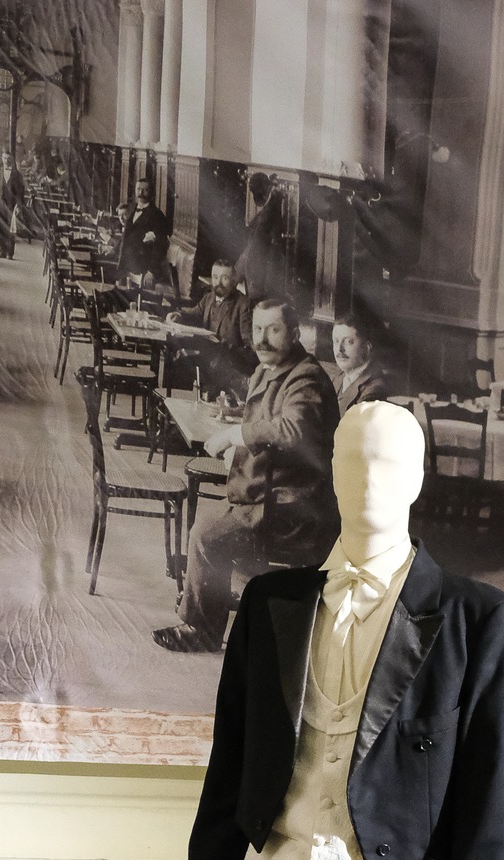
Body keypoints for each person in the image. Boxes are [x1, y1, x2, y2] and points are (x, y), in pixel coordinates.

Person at [167, 400, 504, 860]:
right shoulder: (268, 604)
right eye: (352, 461)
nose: (368, 477)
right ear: (331, 473)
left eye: (387, 462)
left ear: (418, 477)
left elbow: (499, 783)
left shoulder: (481, 621)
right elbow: (231, 763)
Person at [154, 296, 339, 654]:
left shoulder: (307, 378)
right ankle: (205, 603)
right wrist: (237, 435)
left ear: (295, 334)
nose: (262, 339)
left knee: (206, 535)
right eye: (257, 329)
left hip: (293, 506)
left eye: (273, 330)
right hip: (267, 491)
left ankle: (201, 628)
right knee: (211, 527)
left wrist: (236, 435)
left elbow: (292, 430)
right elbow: (267, 420)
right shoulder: (269, 369)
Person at [167, 258, 254, 399]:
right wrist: (178, 315)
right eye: (215, 277)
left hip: (230, 363)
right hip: (209, 357)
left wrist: (227, 347)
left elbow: (249, 346)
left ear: (234, 281)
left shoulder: (243, 304)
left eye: (224, 278)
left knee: (206, 370)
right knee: (178, 364)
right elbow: (195, 313)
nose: (218, 283)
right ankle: (174, 403)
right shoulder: (209, 297)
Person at [231, 173, 286, 302]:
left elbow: (261, 233)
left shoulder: (272, 206)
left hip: (261, 255)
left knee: (256, 291)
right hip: (256, 253)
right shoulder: (271, 204)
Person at [331, 315, 391, 414]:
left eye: (349, 342)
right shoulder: (338, 378)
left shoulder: (374, 388)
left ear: (367, 348)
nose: (339, 349)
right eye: (336, 341)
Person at [118, 177, 169, 284]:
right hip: (126, 264)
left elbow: (160, 246)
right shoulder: (131, 209)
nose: (140, 193)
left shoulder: (157, 215)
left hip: (142, 268)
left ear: (152, 192)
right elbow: (125, 237)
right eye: (138, 189)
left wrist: (151, 270)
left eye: (145, 190)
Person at [0, 149, 25, 257]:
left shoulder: (17, 174)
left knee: (11, 228)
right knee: (0, 227)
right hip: (0, 204)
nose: (6, 161)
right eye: (4, 158)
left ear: (12, 160)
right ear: (1, 158)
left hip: (11, 205)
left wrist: (19, 206)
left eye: (8, 158)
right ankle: (2, 250)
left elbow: (20, 192)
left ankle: (10, 252)